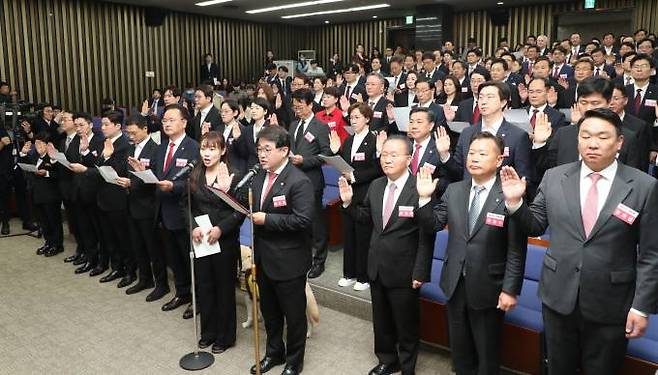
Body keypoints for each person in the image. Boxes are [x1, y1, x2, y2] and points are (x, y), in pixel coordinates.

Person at [501, 107, 658, 375]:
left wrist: (641, 307)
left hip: (611, 301)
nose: (592, 143)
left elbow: (651, 254)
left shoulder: (643, 185)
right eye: (585, 136)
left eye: (602, 136)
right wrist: (516, 203)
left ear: (620, 142)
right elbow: (534, 225)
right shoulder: (555, 177)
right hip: (558, 296)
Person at [416, 132, 527, 375]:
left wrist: (510, 288)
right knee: (460, 348)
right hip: (455, 281)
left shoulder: (508, 193)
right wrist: (425, 199)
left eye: (483, 153)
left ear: (499, 161)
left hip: (490, 285)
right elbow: (433, 224)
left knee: (487, 350)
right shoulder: (454, 190)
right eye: (472, 153)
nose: (474, 158)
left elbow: (517, 248)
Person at [339, 135, 433, 375]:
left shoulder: (420, 188)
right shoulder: (377, 185)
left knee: (406, 323)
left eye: (394, 155)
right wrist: (349, 204)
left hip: (405, 269)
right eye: (384, 155)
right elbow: (365, 219)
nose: (387, 160)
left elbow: (427, 235)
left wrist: (420, 271)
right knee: (381, 321)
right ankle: (387, 360)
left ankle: (408, 366)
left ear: (409, 158)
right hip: (377, 265)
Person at [249, 125, 314, 375]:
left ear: (284, 150)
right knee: (270, 311)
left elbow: (303, 220)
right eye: (259, 149)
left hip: (289, 260)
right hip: (264, 257)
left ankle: (294, 362)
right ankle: (274, 352)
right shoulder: (257, 176)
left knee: (294, 315)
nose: (262, 155)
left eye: (267, 149)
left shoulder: (299, 181)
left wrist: (268, 220)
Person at [186, 131, 245, 354]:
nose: (207, 153)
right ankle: (208, 332)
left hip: (224, 240)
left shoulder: (233, 175)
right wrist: (193, 226)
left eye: (212, 149)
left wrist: (221, 228)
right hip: (201, 240)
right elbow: (187, 206)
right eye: (203, 148)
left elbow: (239, 212)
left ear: (223, 151)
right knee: (205, 286)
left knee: (224, 288)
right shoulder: (194, 174)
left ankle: (225, 336)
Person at [532, 77, 643, 176]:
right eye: (583, 102)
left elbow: (633, 178)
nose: (588, 108)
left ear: (609, 102)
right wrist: (540, 144)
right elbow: (546, 171)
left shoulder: (627, 137)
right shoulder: (563, 134)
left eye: (595, 103)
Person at [152, 104, 200, 317]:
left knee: (188, 259)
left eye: (171, 120)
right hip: (162, 211)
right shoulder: (161, 147)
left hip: (182, 212)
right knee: (173, 258)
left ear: (184, 122)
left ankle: (197, 299)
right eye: (164, 121)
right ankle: (182, 293)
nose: (167, 124)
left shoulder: (193, 147)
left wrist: (174, 186)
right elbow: (156, 174)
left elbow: (196, 182)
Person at [329, 103, 382, 292]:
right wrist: (335, 152)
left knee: (363, 236)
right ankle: (348, 273)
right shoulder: (349, 140)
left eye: (357, 117)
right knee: (348, 234)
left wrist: (355, 176)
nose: (353, 120)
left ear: (367, 119)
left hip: (365, 192)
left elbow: (378, 169)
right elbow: (344, 164)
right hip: (348, 192)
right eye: (351, 117)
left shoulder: (374, 139)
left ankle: (363, 276)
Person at [440, 81, 534, 186]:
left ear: (503, 102)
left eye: (490, 97)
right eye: (481, 97)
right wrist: (445, 155)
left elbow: (523, 178)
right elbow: (458, 172)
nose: (483, 102)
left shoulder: (517, 136)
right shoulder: (467, 133)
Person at [116, 115, 169, 299]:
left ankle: (162, 284)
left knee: (153, 248)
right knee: (137, 245)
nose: (130, 136)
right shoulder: (130, 148)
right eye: (128, 132)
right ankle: (144, 278)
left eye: (133, 132)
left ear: (145, 129)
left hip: (148, 205)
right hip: (130, 203)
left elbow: (155, 179)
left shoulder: (156, 150)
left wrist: (133, 183)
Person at [289, 88, 331, 279]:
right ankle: (303, 257)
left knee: (315, 223)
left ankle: (319, 260)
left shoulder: (320, 127)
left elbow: (326, 155)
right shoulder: (293, 125)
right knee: (298, 222)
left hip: (312, 181)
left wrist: (304, 161)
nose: (297, 109)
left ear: (310, 105)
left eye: (300, 106)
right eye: (295, 106)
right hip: (293, 181)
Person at [93, 110, 134, 286]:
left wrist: (108, 155)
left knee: (123, 238)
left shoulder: (125, 144)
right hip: (103, 195)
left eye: (106, 124)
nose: (102, 128)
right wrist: (104, 156)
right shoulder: (105, 142)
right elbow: (97, 168)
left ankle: (129, 271)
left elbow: (121, 172)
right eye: (101, 124)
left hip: (118, 197)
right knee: (109, 236)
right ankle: (116, 267)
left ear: (118, 126)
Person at [68, 113, 105, 276]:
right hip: (78, 190)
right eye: (75, 125)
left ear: (90, 125)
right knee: (84, 228)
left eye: (81, 125)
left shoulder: (99, 140)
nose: (78, 128)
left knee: (98, 229)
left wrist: (86, 151)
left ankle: (101, 261)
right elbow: (70, 160)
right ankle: (89, 258)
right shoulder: (75, 140)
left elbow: (98, 166)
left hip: (95, 192)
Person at [19, 133, 63, 256]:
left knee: (53, 221)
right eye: (36, 143)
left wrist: (47, 174)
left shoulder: (53, 156)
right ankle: (48, 242)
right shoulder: (34, 155)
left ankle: (57, 245)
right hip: (36, 193)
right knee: (43, 221)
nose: (37, 146)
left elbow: (59, 174)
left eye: (40, 143)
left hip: (51, 195)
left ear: (47, 144)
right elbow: (24, 165)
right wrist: (23, 153)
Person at [52, 113, 83, 264]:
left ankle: (86, 251)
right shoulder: (63, 140)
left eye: (66, 120)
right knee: (74, 222)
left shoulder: (80, 139)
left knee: (81, 222)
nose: (63, 122)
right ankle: (80, 249)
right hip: (65, 186)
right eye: (62, 120)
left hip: (77, 186)